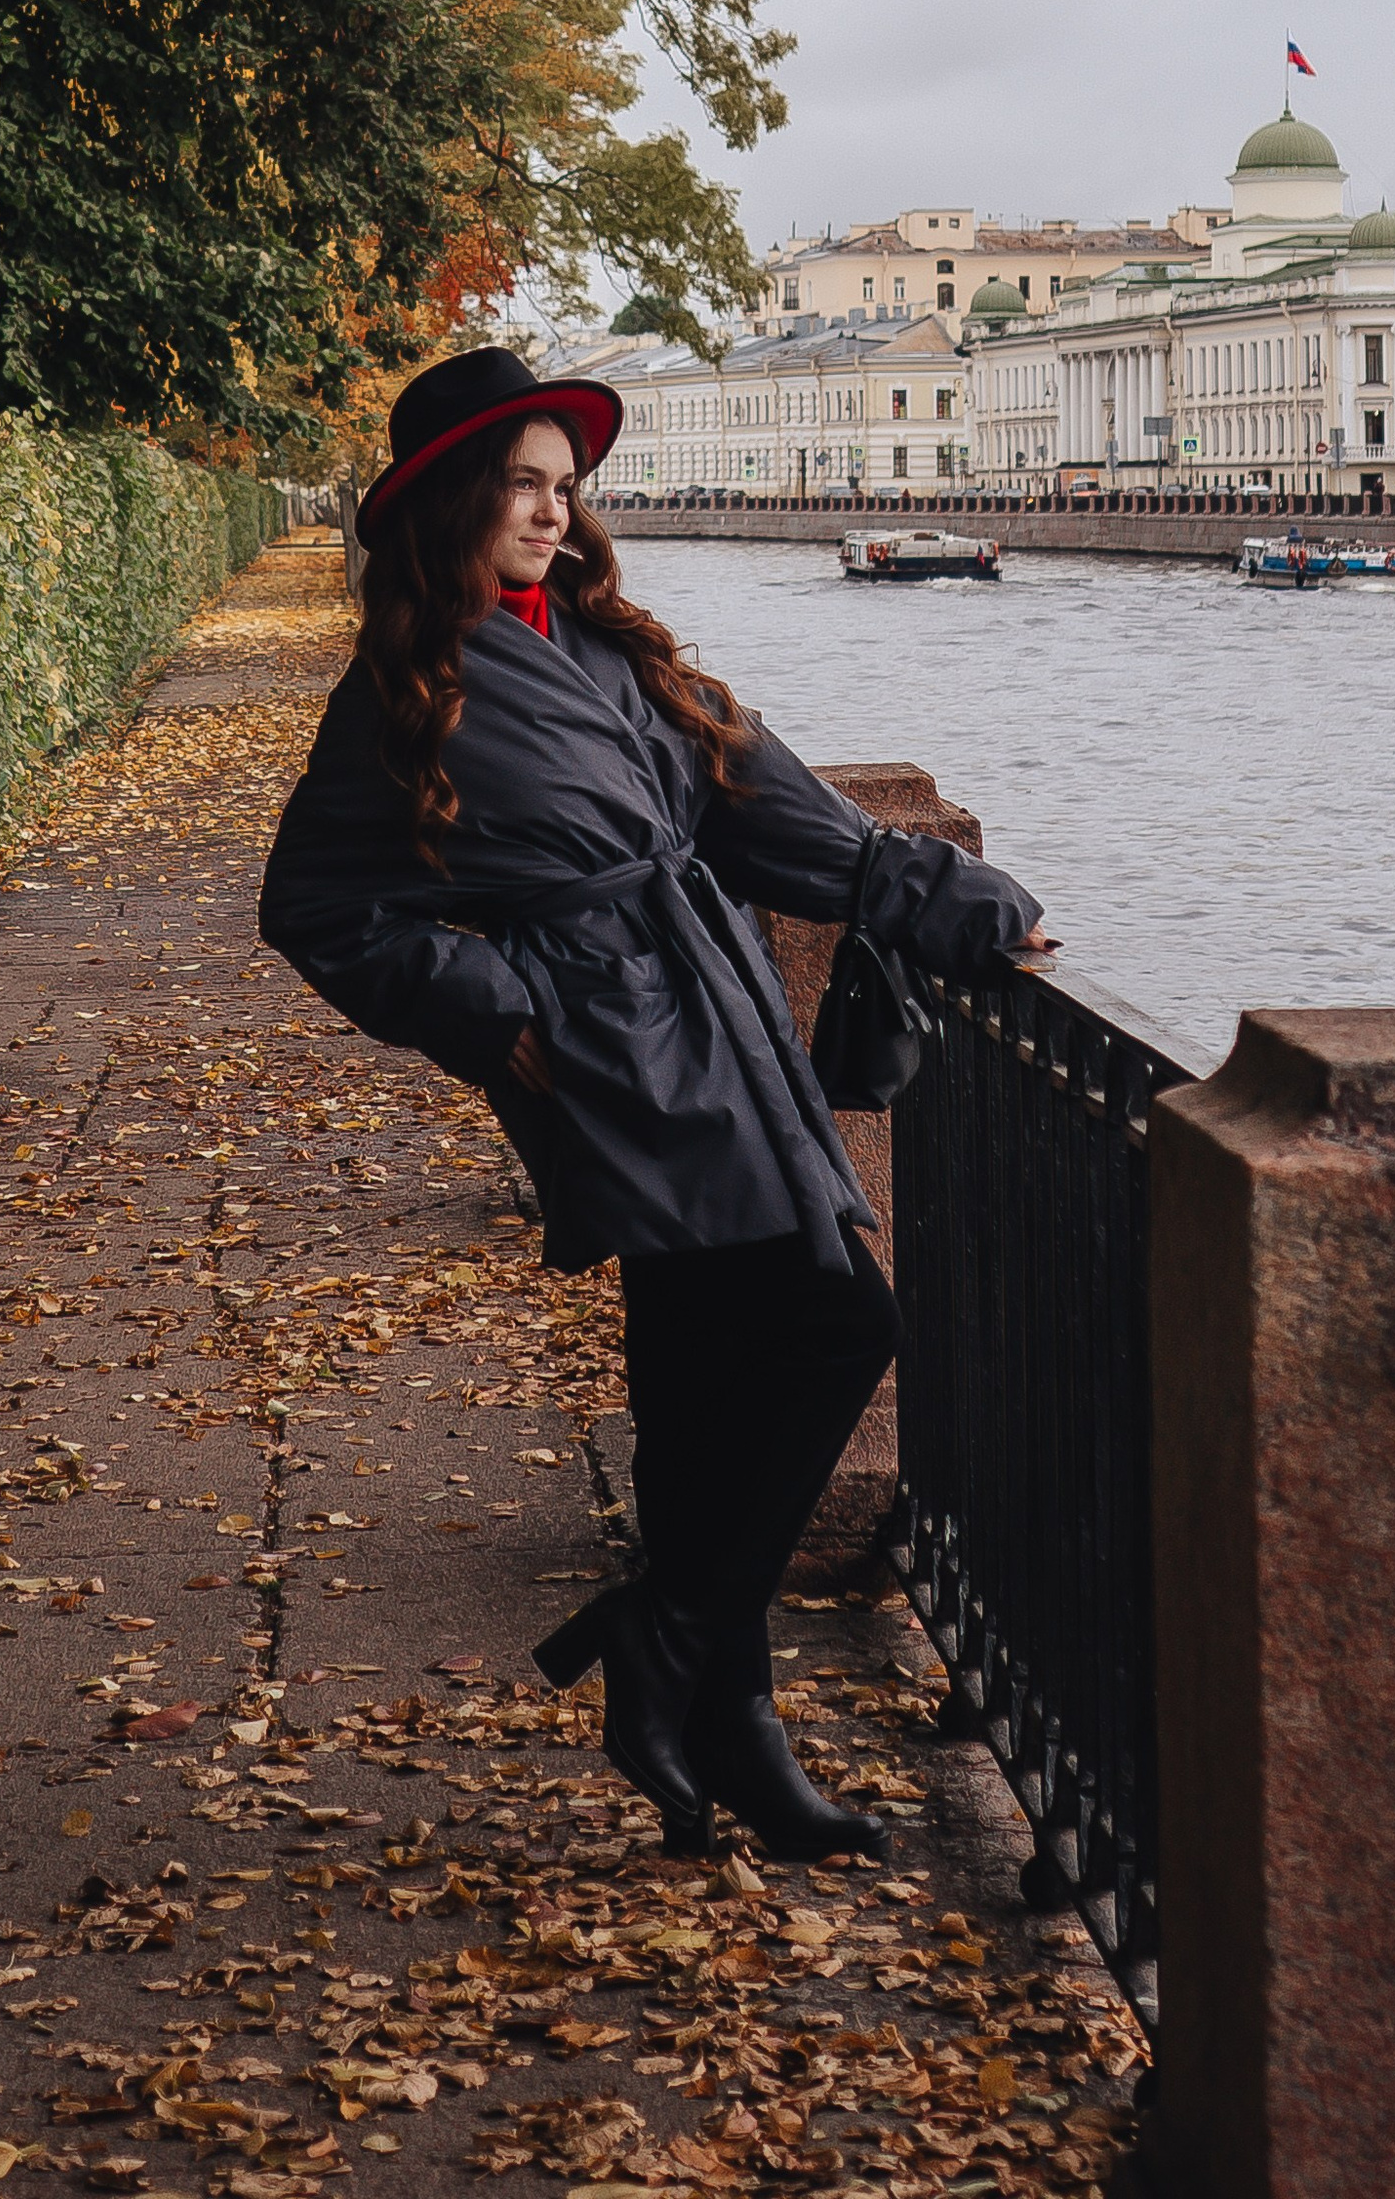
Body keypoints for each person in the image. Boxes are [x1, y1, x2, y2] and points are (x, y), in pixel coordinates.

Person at [259, 345, 1050, 1863]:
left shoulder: (619, 653)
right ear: (450, 501)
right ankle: (669, 1634)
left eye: (568, 488)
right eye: (524, 485)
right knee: (840, 1324)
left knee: (699, 1389)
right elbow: (317, 908)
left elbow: (776, 815)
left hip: (723, 1017)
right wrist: (494, 1014)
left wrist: (952, 899)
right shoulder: (399, 694)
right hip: (612, 1060)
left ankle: (719, 1719)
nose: (555, 513)